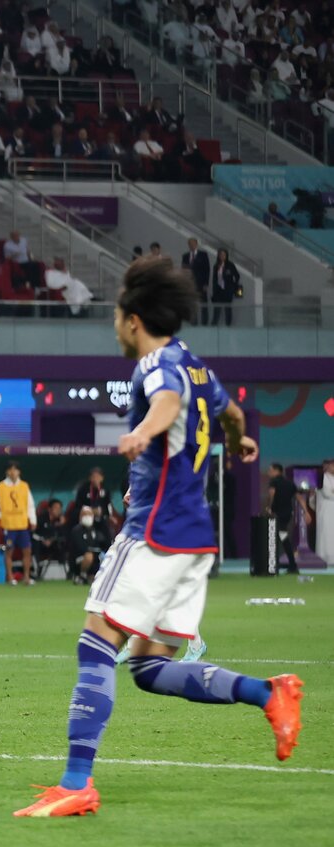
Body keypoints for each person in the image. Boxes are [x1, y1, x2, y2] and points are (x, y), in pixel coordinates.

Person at [15, 257, 301, 818]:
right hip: (195, 541)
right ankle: (269, 693)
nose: (114, 328)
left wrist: (144, 431)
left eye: (116, 317)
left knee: (96, 643)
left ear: (133, 320)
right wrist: (238, 442)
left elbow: (165, 402)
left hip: (154, 532)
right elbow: (233, 413)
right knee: (147, 668)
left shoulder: (156, 364)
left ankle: (76, 783)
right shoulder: (198, 367)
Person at [0, 461, 37, 585]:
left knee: (27, 550)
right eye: (10, 469)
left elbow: (30, 504)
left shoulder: (24, 486)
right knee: (9, 551)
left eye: (15, 469)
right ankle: (10, 577)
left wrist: (33, 519)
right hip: (8, 525)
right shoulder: (0, 487)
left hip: (22, 524)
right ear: (7, 472)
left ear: (19, 472)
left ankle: (26, 577)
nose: (13, 472)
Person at [265, 463, 302, 575]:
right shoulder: (290, 483)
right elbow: (299, 497)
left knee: (278, 537)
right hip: (287, 515)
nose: (268, 472)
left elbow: (272, 494)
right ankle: (289, 564)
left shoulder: (274, 482)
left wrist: (269, 508)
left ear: (277, 471)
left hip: (277, 515)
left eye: (270, 470)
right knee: (282, 536)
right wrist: (306, 511)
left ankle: (281, 565)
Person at [67, 505, 110, 584]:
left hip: (95, 557)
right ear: (80, 516)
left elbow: (103, 543)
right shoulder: (76, 530)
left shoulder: (95, 530)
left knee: (105, 556)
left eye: (89, 514)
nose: (87, 517)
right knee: (89, 556)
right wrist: (92, 550)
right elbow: (80, 547)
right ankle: (82, 575)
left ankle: (95, 576)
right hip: (79, 559)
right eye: (85, 514)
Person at [181, 237, 210, 324]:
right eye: (190, 244)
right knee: (192, 304)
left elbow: (207, 269)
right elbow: (184, 270)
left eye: (193, 244)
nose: (191, 245)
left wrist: (206, 283)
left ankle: (205, 322)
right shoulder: (185, 256)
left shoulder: (203, 254)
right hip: (190, 284)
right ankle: (194, 322)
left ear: (196, 244)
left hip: (201, 283)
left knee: (203, 303)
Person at [209, 248, 240, 327]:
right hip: (218, 291)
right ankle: (214, 326)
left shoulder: (230, 265)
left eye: (224, 255)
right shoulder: (216, 266)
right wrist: (214, 291)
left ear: (226, 256)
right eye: (221, 255)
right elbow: (214, 280)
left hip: (227, 291)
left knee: (228, 310)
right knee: (217, 310)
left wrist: (233, 285)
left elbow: (237, 276)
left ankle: (228, 325)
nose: (222, 256)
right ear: (218, 256)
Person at [34, 499, 67, 568]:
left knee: (62, 544)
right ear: (49, 509)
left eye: (60, 508)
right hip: (40, 543)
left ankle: (64, 568)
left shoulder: (60, 520)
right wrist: (43, 540)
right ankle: (37, 568)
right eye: (56, 508)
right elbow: (34, 534)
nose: (58, 510)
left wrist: (61, 525)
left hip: (53, 543)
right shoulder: (41, 518)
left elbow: (62, 535)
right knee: (36, 545)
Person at [316, 460, 334, 565]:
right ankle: (324, 558)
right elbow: (327, 493)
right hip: (325, 510)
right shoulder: (322, 478)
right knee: (325, 533)